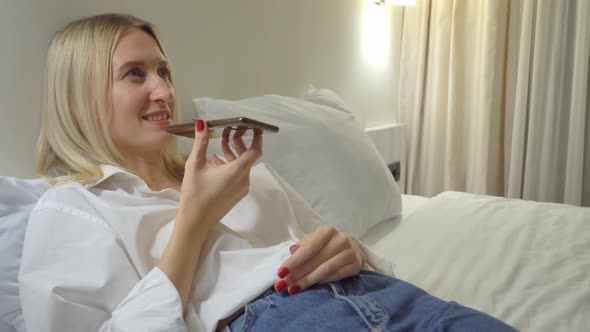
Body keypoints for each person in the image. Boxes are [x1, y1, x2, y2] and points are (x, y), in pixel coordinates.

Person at [18, 13, 517, 332]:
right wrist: (192, 221)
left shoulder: (236, 172)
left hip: (394, 299)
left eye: (164, 71)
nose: (164, 91)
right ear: (79, 97)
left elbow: (323, 244)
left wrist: (351, 250)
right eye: (135, 74)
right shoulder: (71, 210)